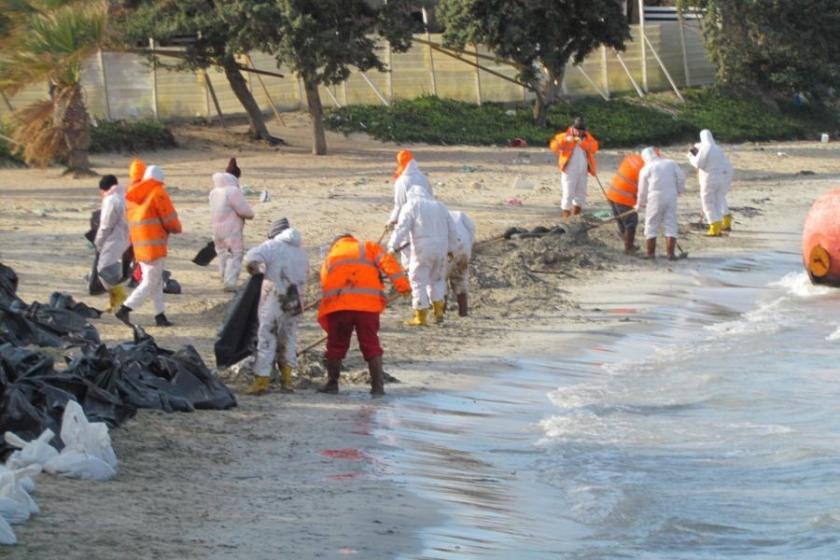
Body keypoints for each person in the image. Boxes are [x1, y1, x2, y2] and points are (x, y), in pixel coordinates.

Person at [317, 234, 411, 396]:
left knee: (335, 346)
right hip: (367, 306)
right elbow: (388, 263)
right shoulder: (368, 247)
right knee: (371, 344)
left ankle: (332, 384)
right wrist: (403, 286)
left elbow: (325, 282)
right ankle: (377, 387)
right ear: (352, 239)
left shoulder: (332, 255)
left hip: (339, 308)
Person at [243, 219, 309, 396]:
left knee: (267, 337)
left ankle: (262, 381)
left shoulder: (271, 246)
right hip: (295, 301)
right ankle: (287, 381)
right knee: (288, 338)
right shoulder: (302, 252)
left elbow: (250, 259)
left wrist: (256, 272)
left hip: (275, 298)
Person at [116, 165, 182, 327]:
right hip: (154, 244)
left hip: (139, 243)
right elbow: (169, 218)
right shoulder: (157, 193)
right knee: (150, 281)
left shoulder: (135, 194)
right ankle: (125, 308)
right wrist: (176, 228)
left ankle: (160, 315)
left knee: (156, 280)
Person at [389, 185, 461, 326]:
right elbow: (452, 229)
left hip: (422, 248)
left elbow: (402, 228)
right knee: (437, 279)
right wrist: (452, 249)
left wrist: (392, 247)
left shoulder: (411, 205)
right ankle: (438, 312)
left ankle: (420, 316)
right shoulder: (440, 206)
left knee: (418, 279)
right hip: (441, 248)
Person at [209, 159, 255, 291]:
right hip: (231, 228)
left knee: (222, 253)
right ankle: (229, 283)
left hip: (216, 228)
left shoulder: (214, 192)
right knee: (235, 254)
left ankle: (223, 276)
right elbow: (246, 211)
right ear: (236, 176)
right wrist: (250, 214)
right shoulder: (233, 191)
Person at [636, 147, 686, 260]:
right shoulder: (670, 163)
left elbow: (642, 189)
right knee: (671, 223)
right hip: (671, 195)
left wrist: (640, 204)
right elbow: (681, 177)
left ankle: (650, 253)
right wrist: (679, 190)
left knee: (651, 224)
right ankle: (671, 254)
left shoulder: (646, 168)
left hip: (654, 196)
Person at [549, 116, 599, 220]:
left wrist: (583, 143)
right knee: (568, 194)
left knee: (581, 195)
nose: (579, 133)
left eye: (581, 131)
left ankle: (576, 218)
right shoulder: (563, 136)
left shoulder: (588, 137)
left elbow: (594, 148)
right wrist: (565, 140)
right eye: (577, 130)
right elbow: (553, 147)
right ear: (573, 128)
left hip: (583, 170)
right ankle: (566, 219)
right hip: (569, 170)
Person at [688, 129, 734, 236]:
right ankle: (721, 223)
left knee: (708, 202)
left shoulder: (705, 148)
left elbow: (698, 164)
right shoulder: (718, 148)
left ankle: (714, 226)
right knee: (718, 200)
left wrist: (691, 157)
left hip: (709, 178)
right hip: (722, 178)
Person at [94, 175, 130, 312]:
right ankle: (117, 299)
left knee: (103, 269)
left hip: (116, 237)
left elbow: (106, 225)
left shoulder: (111, 200)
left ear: (103, 189)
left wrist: (98, 242)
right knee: (114, 268)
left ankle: (118, 299)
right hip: (130, 236)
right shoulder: (125, 195)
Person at [606, 153, 645, 254]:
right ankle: (629, 247)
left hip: (612, 194)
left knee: (622, 221)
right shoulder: (644, 168)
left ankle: (627, 243)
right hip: (624, 198)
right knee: (631, 222)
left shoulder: (631, 158)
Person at [386, 150, 434, 229]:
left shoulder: (402, 181)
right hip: (428, 218)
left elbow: (399, 205)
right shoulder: (423, 178)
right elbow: (431, 198)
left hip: (410, 219)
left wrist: (392, 220)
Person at [447, 210, 475, 317]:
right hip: (463, 247)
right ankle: (463, 312)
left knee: (440, 280)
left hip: (447, 249)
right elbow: (471, 229)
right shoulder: (459, 215)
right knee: (461, 278)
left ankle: (440, 312)